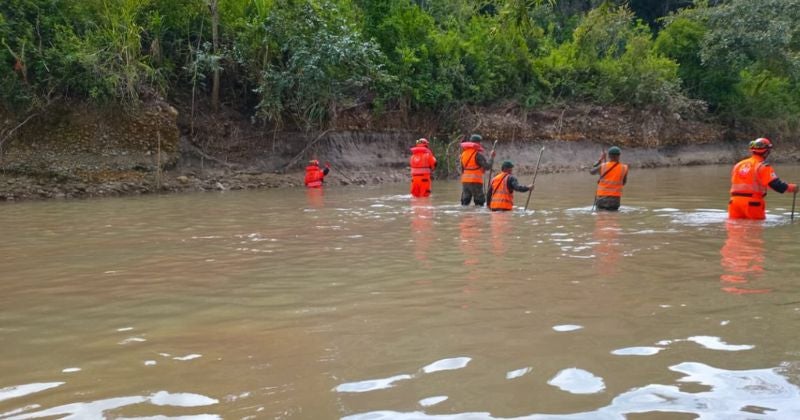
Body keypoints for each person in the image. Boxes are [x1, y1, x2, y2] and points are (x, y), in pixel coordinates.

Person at [728, 137, 797, 220]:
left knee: (735, 231)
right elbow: (776, 185)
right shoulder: (763, 166)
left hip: (734, 202)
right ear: (767, 151)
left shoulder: (738, 165)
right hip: (753, 203)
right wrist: (792, 188)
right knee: (754, 230)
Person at [590, 146, 629, 211]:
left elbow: (591, 171)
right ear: (619, 156)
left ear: (609, 156)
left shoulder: (603, 166)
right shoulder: (624, 168)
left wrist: (600, 160)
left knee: (601, 218)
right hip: (615, 200)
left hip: (601, 199)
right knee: (613, 218)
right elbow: (624, 183)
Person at [460, 134, 494, 206]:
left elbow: (463, 169)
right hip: (475, 181)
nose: (480, 144)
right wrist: (492, 157)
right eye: (480, 142)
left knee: (465, 202)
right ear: (477, 143)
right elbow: (487, 166)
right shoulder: (477, 155)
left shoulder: (463, 154)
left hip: (465, 181)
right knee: (479, 203)